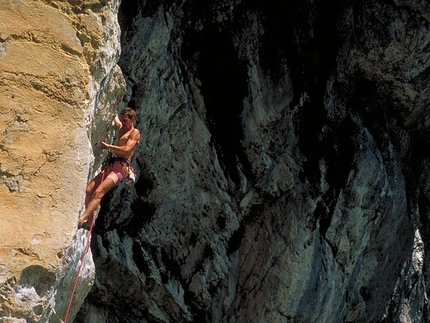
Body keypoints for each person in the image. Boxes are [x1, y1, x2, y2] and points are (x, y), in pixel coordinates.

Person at [78, 107, 141, 229]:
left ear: (132, 119)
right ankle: (88, 222)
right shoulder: (122, 128)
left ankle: (82, 218)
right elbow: (116, 119)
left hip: (120, 170)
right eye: (122, 120)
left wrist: (108, 146)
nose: (123, 123)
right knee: (89, 190)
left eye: (125, 120)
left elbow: (127, 149)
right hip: (111, 166)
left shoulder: (135, 133)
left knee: (99, 192)